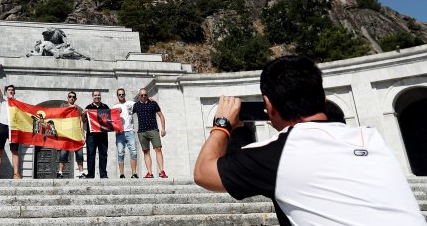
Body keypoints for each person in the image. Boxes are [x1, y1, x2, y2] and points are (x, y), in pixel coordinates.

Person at [194, 55, 425, 226]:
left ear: (269, 105)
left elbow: (204, 173)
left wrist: (222, 124)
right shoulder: (372, 139)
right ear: (323, 99)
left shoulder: (275, 155)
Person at [0, 65, 21, 179]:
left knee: (15, 151)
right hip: (2, 126)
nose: (11, 91)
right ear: (6, 93)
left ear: (14, 93)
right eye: (9, 90)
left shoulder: (18, 103)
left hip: (13, 127)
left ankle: (16, 173)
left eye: (12, 90)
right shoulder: (2, 99)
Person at [133, 88, 167, 178]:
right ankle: (149, 172)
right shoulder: (135, 105)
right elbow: (127, 114)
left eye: (145, 95)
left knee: (158, 149)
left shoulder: (153, 103)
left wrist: (163, 129)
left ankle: (162, 171)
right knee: (146, 152)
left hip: (153, 130)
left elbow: (161, 116)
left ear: (147, 95)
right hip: (142, 132)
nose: (144, 97)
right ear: (139, 96)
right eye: (142, 95)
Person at [57, 91, 86, 179]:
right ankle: (60, 172)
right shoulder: (63, 105)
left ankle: (81, 173)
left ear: (75, 99)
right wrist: (71, 107)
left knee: (80, 154)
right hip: (65, 134)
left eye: (73, 97)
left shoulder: (78, 109)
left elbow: (82, 122)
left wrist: (83, 135)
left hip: (76, 134)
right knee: (63, 154)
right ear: (67, 98)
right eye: (70, 96)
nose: (71, 98)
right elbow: (59, 113)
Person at [113, 88, 138, 178]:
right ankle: (122, 174)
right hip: (120, 132)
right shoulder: (115, 107)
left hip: (130, 131)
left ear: (125, 95)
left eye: (123, 94)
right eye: (119, 94)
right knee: (120, 152)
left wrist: (149, 99)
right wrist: (116, 112)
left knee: (134, 152)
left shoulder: (131, 103)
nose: (121, 96)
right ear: (117, 96)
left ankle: (134, 173)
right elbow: (111, 120)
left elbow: (140, 104)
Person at [84, 90, 109, 178]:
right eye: (95, 95)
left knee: (103, 154)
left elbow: (109, 120)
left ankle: (103, 174)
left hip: (103, 134)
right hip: (91, 135)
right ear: (92, 96)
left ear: (100, 96)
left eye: (98, 95)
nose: (97, 96)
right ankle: (90, 174)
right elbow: (83, 121)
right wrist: (83, 114)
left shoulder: (105, 107)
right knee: (90, 154)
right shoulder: (88, 107)